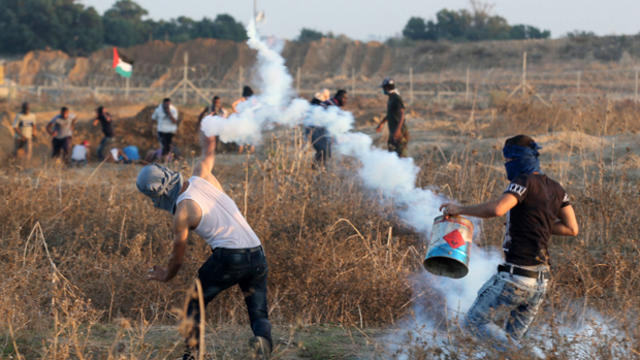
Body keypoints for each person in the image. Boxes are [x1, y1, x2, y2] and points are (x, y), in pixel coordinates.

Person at [137, 133, 272, 360]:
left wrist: (166, 275)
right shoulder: (202, 175)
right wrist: (209, 131)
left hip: (230, 257)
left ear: (158, 194)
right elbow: (208, 151)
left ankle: (192, 356)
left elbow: (178, 259)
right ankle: (264, 343)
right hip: (257, 252)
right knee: (257, 309)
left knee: (194, 301)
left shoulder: (182, 212)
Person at [439, 135, 579, 352]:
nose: (506, 166)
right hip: (541, 282)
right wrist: (535, 224)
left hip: (516, 278)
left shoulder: (523, 182)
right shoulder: (557, 188)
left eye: (508, 161)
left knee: (473, 323)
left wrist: (460, 209)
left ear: (517, 159)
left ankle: (530, 357)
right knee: (505, 346)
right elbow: (572, 228)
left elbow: (497, 209)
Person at [307, 89, 348, 168]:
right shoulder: (332, 105)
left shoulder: (333, 104)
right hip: (314, 129)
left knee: (325, 151)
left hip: (317, 130)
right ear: (339, 97)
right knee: (324, 151)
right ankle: (317, 170)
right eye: (344, 98)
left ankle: (318, 170)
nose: (345, 101)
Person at [375, 78, 409, 158]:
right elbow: (390, 114)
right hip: (393, 130)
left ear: (386, 88)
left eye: (383, 88)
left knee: (401, 155)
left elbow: (402, 114)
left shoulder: (396, 98)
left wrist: (398, 130)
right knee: (392, 153)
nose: (383, 90)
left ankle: (405, 169)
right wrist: (381, 123)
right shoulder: (391, 98)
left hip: (399, 131)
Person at [232, 86, 256, 154]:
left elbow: (233, 104)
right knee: (252, 137)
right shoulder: (252, 100)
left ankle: (240, 152)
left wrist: (236, 112)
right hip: (251, 120)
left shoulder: (242, 99)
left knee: (242, 137)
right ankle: (251, 152)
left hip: (243, 120)